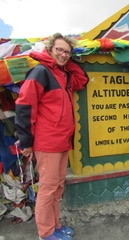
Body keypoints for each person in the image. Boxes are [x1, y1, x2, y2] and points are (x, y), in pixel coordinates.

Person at [15, 33, 88, 240]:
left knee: (57, 187)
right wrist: (27, 142)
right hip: (47, 143)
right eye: (59, 50)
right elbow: (24, 107)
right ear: (49, 49)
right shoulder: (40, 71)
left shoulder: (62, 75)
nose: (63, 55)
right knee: (48, 190)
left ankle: (55, 226)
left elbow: (81, 80)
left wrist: (68, 61)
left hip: (62, 141)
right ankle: (45, 233)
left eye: (67, 52)